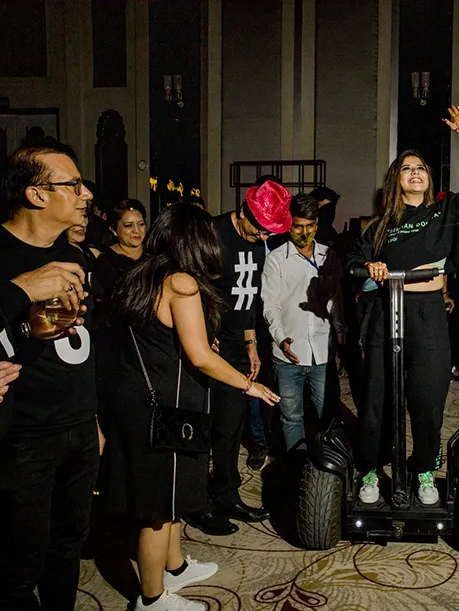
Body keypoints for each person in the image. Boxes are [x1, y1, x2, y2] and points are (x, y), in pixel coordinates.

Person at [102, 204, 280, 611]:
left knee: (172, 496)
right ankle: (151, 598)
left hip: (148, 400)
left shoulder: (146, 271)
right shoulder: (181, 282)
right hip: (166, 406)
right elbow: (200, 356)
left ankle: (176, 567)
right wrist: (248, 385)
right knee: (158, 510)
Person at [0, 105, 89, 611]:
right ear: (37, 194)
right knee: (17, 561)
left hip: (78, 424)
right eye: (73, 185)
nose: (86, 194)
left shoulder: (74, 254)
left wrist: (94, 418)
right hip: (24, 432)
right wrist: (23, 315)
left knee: (68, 547)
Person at [346, 105, 459, 506]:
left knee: (427, 400)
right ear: (395, 180)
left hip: (428, 314)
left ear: (428, 178)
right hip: (386, 315)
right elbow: (351, 260)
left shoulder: (445, 212)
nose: (415, 172)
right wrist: (368, 265)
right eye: (406, 168)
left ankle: (426, 469)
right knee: (377, 400)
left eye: (421, 168)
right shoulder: (381, 226)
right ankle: (372, 469)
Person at [185, 178, 290, 536]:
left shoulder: (258, 242)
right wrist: (203, 333)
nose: (264, 237)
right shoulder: (212, 234)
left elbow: (248, 298)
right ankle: (198, 503)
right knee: (204, 426)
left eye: (269, 232)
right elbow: (191, 288)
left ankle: (226, 494)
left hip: (237, 345)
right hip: (207, 345)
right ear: (244, 212)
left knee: (231, 424)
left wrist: (251, 344)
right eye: (260, 229)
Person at [262, 194, 345, 455]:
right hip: (288, 355)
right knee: (291, 417)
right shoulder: (276, 259)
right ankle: (297, 467)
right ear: (289, 225)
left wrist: (340, 338)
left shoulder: (329, 256)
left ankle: (328, 467)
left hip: (322, 353)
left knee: (327, 416)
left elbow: (336, 301)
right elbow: (270, 304)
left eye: (309, 226)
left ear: (317, 224)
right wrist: (280, 338)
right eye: (298, 227)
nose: (304, 233)